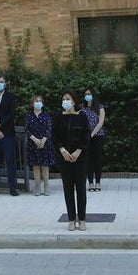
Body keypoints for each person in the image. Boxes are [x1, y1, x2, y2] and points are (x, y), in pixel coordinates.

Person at [52, 90, 90, 231]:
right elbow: (54, 135)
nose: (65, 102)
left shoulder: (82, 116)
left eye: (68, 99)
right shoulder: (58, 116)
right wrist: (62, 150)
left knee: (80, 188)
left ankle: (82, 219)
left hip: (79, 157)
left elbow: (86, 136)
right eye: (63, 99)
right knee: (68, 188)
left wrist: (79, 150)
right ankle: (71, 219)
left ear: (74, 101)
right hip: (64, 157)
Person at [25, 95, 53, 196]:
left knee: (45, 166)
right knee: (35, 166)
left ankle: (46, 185)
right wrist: (35, 140)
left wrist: (43, 140)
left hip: (45, 143)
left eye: (40, 101)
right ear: (32, 104)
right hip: (33, 143)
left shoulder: (46, 115)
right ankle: (37, 186)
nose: (38, 103)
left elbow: (49, 128)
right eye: (36, 101)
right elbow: (26, 129)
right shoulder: (28, 115)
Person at [82, 88, 106, 192]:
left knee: (97, 159)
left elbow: (100, 122)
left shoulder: (100, 107)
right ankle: (91, 182)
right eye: (86, 94)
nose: (87, 96)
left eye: (89, 94)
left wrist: (92, 134)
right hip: (85, 137)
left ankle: (98, 182)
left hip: (98, 136)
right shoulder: (82, 108)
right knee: (88, 159)